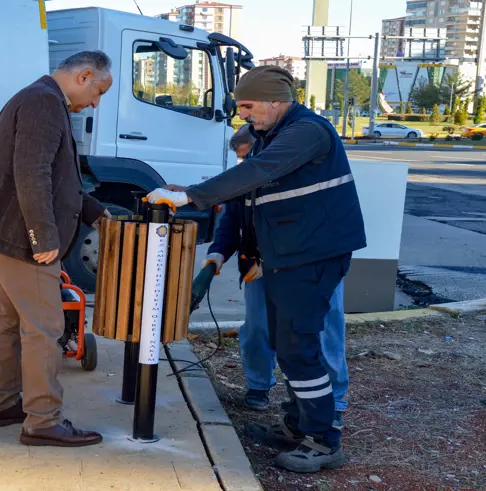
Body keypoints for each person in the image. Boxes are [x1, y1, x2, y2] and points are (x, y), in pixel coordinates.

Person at [146, 65, 366, 473]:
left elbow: (258, 173)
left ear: (274, 100)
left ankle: (322, 439)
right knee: (287, 345)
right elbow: (247, 193)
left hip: (311, 255)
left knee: (299, 346)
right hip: (289, 255)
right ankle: (299, 425)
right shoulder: (273, 134)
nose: (242, 114)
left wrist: (192, 196)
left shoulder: (307, 131)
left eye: (247, 105)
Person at [0, 51, 113, 447]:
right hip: (23, 239)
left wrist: (96, 213)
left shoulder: (37, 97)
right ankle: (43, 420)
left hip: (7, 234)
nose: (95, 103)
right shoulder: (42, 102)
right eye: (98, 92)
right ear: (85, 76)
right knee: (46, 329)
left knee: (9, 323)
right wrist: (44, 237)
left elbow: (56, 175)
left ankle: (2, 405)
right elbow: (31, 173)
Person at [191, 125, 349, 429]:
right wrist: (214, 259)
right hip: (260, 264)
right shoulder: (248, 177)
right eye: (240, 161)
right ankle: (259, 385)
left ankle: (334, 402)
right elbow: (232, 221)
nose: (244, 165)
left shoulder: (299, 170)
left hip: (312, 263)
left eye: (248, 157)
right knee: (258, 327)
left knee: (325, 330)